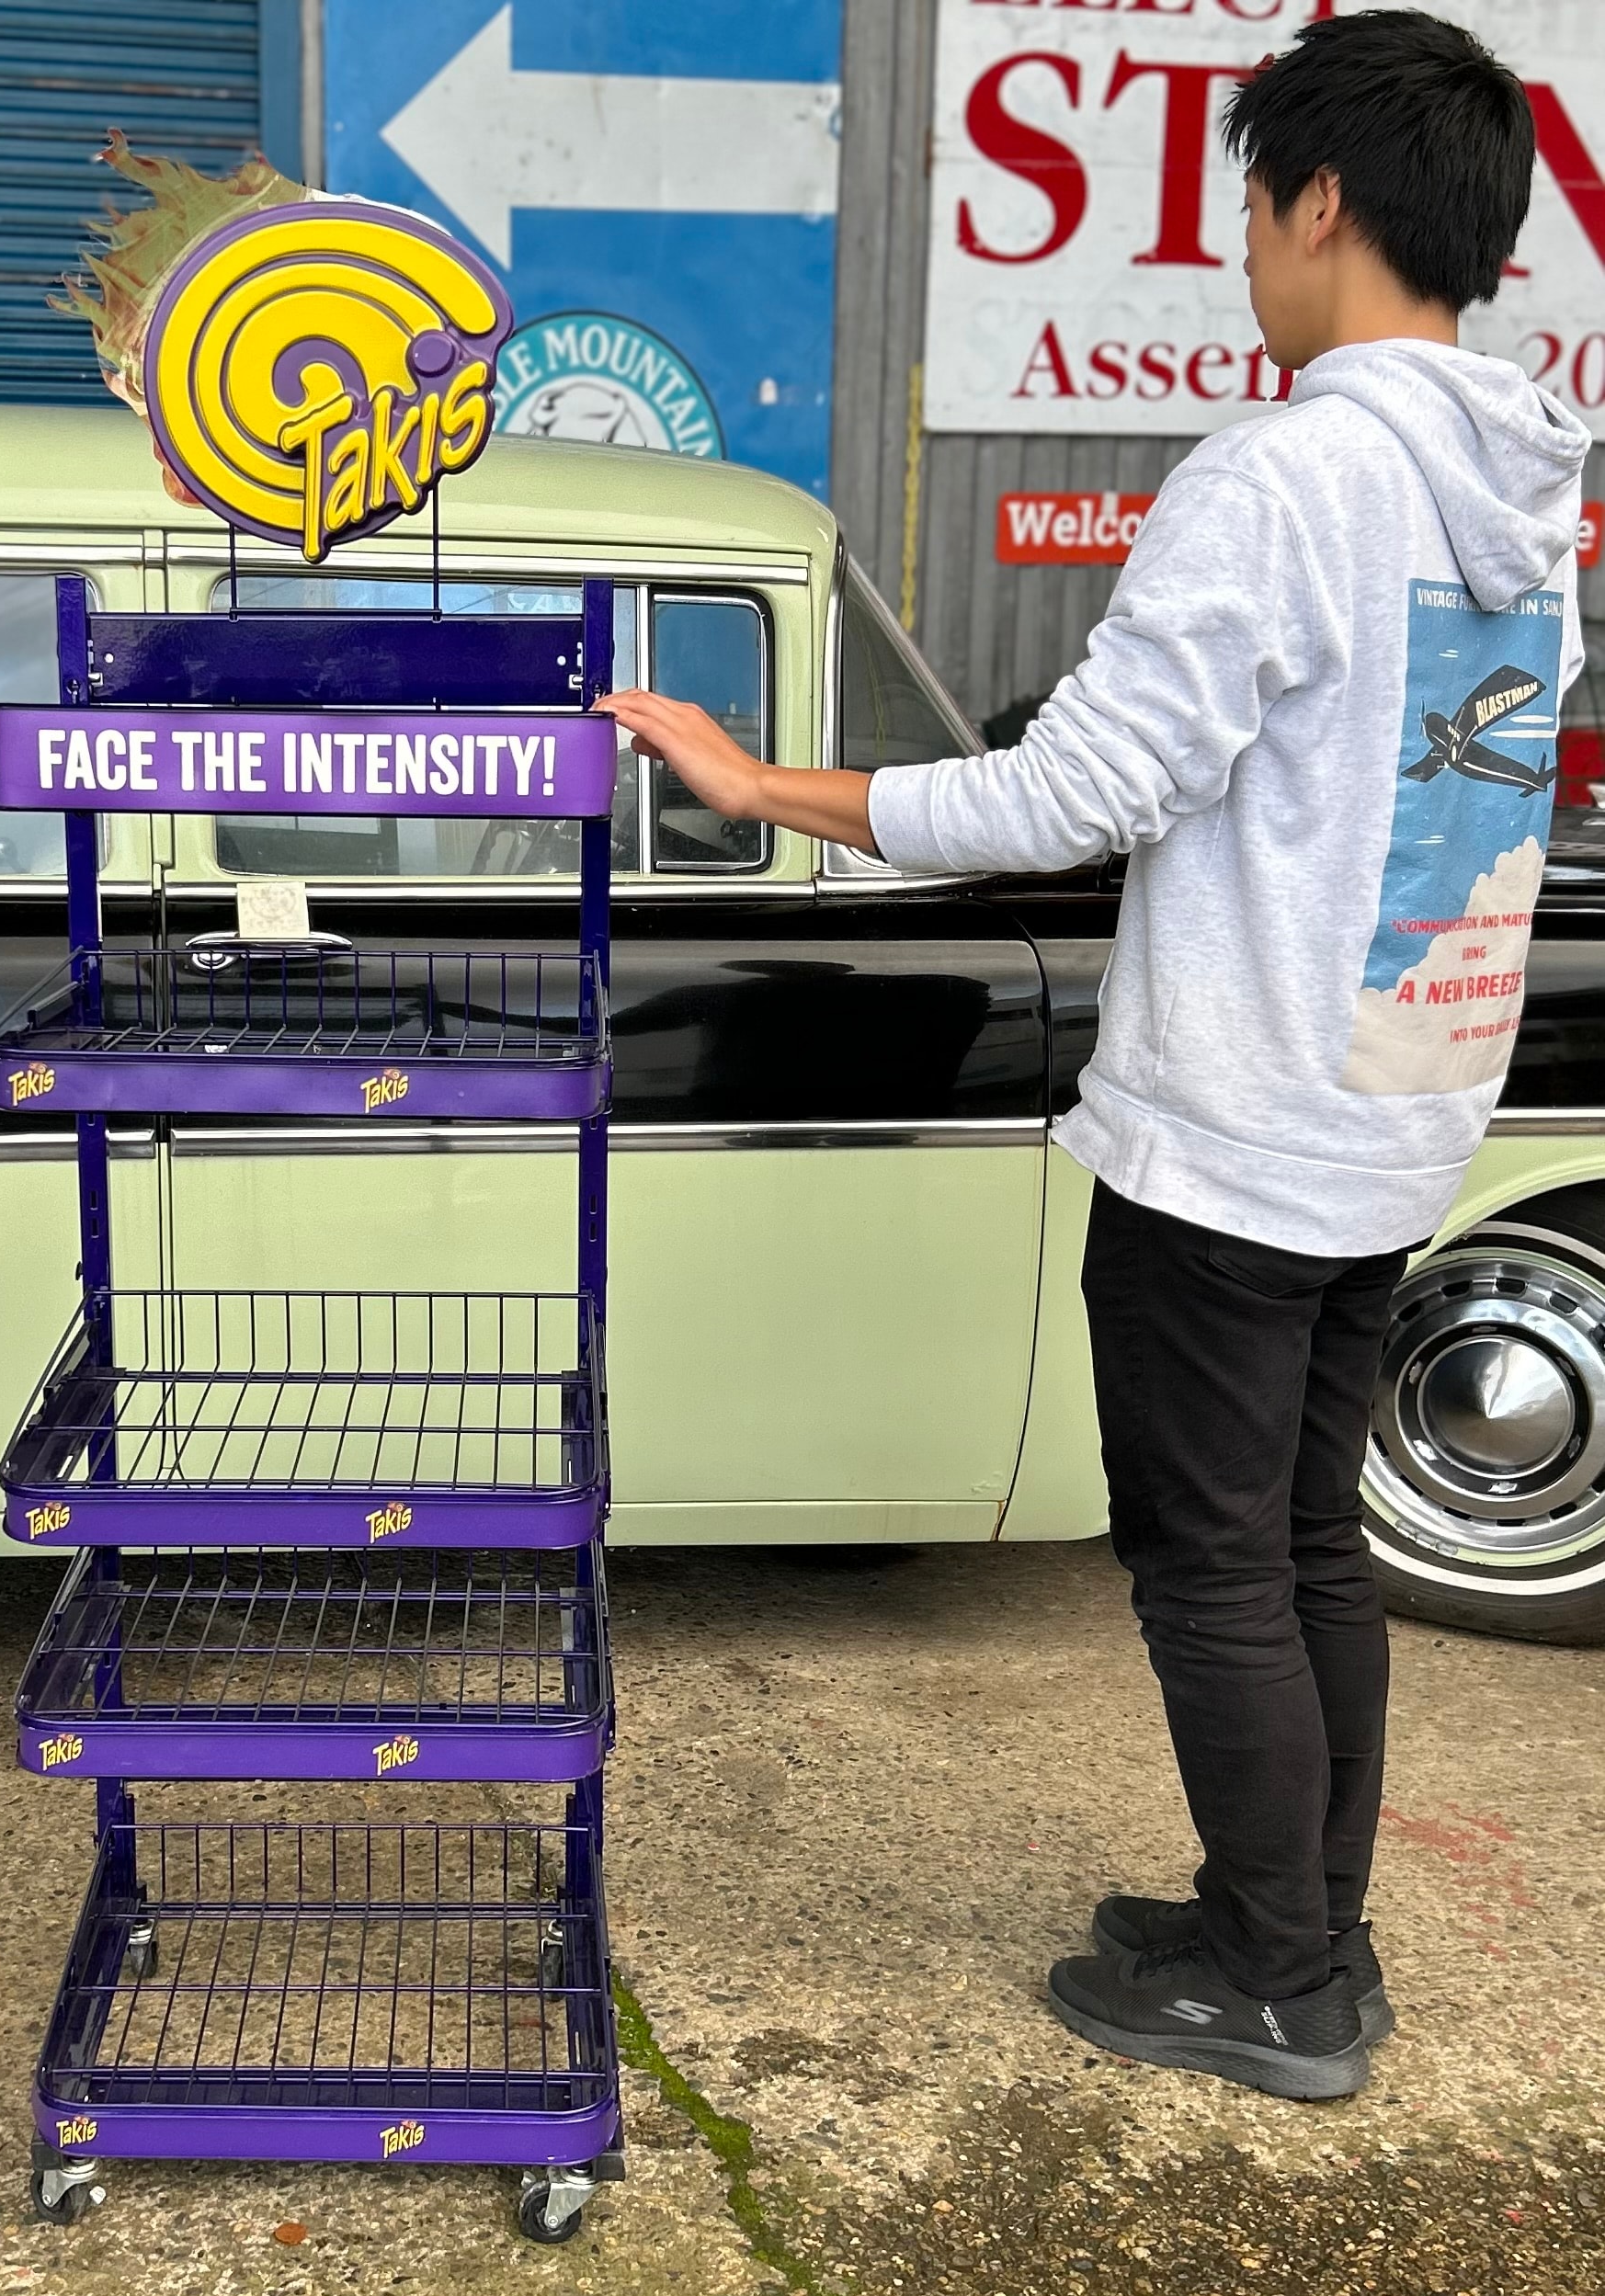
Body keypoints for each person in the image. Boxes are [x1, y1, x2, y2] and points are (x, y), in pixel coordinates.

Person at [602, 9, 1588, 2102]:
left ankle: (1282, 1984)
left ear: (1319, 202)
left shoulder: (1295, 474)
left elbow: (1073, 796)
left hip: (1239, 1139)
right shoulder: (1524, 493)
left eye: (1250, 202)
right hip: (1397, 1114)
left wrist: (764, 784)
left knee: (1216, 1560)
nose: (1243, 247)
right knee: (1312, 1542)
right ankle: (1294, 1926)